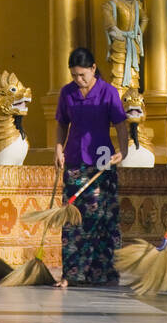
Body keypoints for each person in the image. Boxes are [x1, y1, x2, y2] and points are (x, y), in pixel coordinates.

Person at [54, 47, 128, 288]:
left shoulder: (108, 92)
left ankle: (103, 273)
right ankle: (71, 274)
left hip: (102, 161)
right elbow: (62, 124)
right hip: (75, 159)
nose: (78, 80)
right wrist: (58, 148)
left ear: (93, 68)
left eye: (82, 75)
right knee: (73, 217)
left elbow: (120, 125)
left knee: (101, 217)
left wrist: (123, 150)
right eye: (74, 75)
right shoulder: (67, 93)